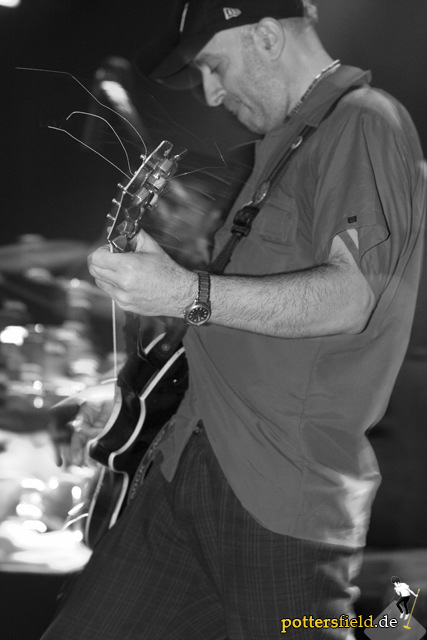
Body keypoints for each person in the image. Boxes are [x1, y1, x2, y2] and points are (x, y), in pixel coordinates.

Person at [40, 1, 426, 638]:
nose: (211, 94)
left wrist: (184, 291)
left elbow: (349, 298)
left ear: (267, 36)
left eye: (214, 68)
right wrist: (131, 399)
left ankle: (399, 622)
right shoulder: (282, 148)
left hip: (277, 493)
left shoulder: (364, 120)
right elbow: (236, 319)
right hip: (183, 464)